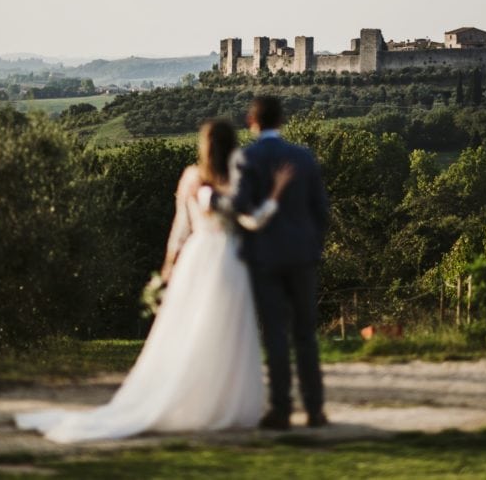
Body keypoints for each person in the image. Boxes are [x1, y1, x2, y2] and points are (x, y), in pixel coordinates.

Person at [15, 119, 290, 443]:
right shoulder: (239, 181)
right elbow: (254, 221)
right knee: (228, 328)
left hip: (196, 256)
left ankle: (191, 398)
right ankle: (222, 403)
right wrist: (276, 191)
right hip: (229, 259)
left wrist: (168, 267)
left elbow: (180, 228)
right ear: (234, 146)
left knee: (188, 327)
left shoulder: (191, 177)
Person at [209, 95, 331, 429]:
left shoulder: (246, 158)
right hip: (303, 256)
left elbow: (242, 206)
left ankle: (281, 409)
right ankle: (315, 409)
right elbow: (321, 210)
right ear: (282, 121)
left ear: (252, 120)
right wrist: (312, 246)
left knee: (275, 334)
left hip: (264, 257)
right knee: (306, 334)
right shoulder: (303, 157)